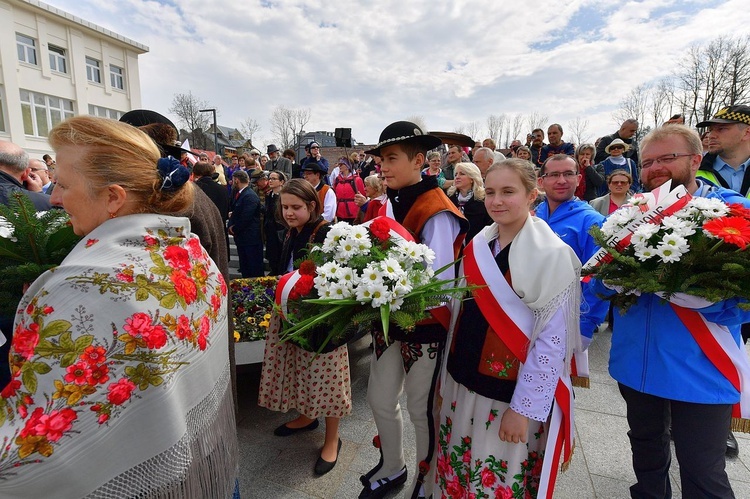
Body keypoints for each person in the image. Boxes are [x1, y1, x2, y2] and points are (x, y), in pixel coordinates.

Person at [0, 115, 238, 497]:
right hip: (204, 461)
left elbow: (33, 449)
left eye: (61, 184)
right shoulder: (187, 249)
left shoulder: (84, 286)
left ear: (113, 197)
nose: (53, 198)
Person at [593, 124, 750, 498]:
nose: (656, 168)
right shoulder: (631, 213)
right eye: (648, 162)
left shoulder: (733, 210)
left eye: (668, 158)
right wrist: (607, 282)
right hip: (636, 365)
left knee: (701, 469)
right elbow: (596, 278)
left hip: (700, 366)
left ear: (696, 159)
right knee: (646, 453)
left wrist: (713, 303)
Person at [437, 159, 581, 498]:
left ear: (533, 195)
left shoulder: (553, 256)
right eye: (491, 192)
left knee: (494, 476)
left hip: (509, 395)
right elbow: (460, 313)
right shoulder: (479, 245)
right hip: (463, 380)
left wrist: (523, 410)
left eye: (509, 192)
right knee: (457, 467)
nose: (497, 201)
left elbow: (552, 342)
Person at [359, 121, 468, 499]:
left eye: (391, 158)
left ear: (419, 160)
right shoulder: (391, 200)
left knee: (421, 408)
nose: (383, 167)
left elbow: (437, 282)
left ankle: (428, 476)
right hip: (389, 320)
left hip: (425, 326)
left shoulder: (437, 209)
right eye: (380, 160)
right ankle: (393, 465)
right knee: (379, 397)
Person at [258, 178, 351, 475]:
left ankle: (332, 438)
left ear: (312, 206)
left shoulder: (325, 233)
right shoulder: (293, 231)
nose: (288, 212)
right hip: (293, 314)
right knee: (300, 370)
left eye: (296, 207)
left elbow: (339, 280)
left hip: (320, 320)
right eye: (285, 206)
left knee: (327, 377)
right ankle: (308, 416)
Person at [535, 155, 607, 361]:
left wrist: (585, 325)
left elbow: (598, 276)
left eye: (568, 174)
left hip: (567, 320)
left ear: (578, 179)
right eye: (554, 174)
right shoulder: (534, 215)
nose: (561, 180)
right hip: (530, 313)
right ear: (541, 181)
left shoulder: (591, 221)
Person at [228, 170, 263, 278]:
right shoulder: (242, 193)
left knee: (252, 269)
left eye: (233, 180)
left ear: (236, 180)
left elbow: (246, 217)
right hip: (244, 238)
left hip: (250, 238)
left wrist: (234, 228)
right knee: (245, 267)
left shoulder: (249, 195)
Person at [0, 140, 52, 211]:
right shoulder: (49, 204)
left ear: (46, 172)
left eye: (34, 169)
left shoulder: (56, 193)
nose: (31, 175)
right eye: (31, 170)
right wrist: (37, 195)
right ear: (26, 173)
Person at [446, 162, 492, 242]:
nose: (457, 177)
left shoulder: (483, 200)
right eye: (456, 174)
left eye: (462, 174)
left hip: (477, 245)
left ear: (472, 178)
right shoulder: (449, 199)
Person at [265, 171, 286, 274]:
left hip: (280, 230)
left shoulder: (284, 196)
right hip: (270, 229)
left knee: (279, 254)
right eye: (269, 178)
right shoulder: (269, 195)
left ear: (281, 182)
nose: (270, 181)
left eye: (274, 179)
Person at [332, 157, 365, 224]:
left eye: (341, 164)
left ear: (347, 166)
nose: (339, 166)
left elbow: (363, 196)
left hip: (353, 212)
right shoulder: (337, 179)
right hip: (340, 211)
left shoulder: (357, 180)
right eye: (339, 164)